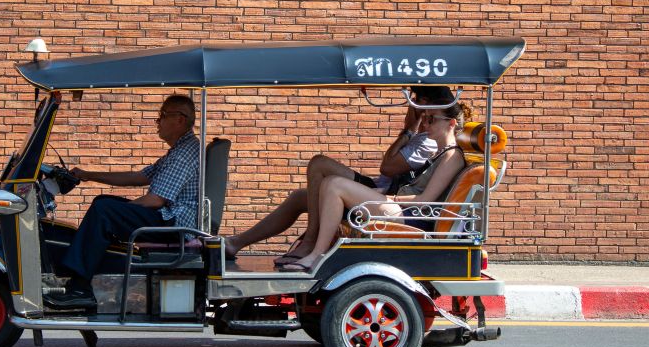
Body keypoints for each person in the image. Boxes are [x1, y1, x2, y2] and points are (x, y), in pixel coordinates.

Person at [223, 86, 451, 264]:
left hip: (390, 199)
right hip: (385, 193)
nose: (417, 112)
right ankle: (237, 243)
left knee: (326, 174)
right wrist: (409, 131)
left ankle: (313, 246)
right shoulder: (430, 140)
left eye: (419, 106)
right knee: (300, 196)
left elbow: (388, 168)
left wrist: (409, 130)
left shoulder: (432, 143)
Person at [45, 94, 200, 309]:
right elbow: (139, 177)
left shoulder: (184, 153)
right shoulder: (178, 150)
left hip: (174, 224)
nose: (158, 122)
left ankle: (80, 288)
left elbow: (155, 200)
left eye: (162, 116)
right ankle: (90, 270)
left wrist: (119, 211)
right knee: (104, 203)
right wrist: (90, 175)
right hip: (168, 217)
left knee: (104, 210)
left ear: (180, 119)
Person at [281, 101, 472, 272]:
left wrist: (390, 198)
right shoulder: (439, 153)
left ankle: (316, 256)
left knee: (334, 185)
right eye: (425, 118)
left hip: (411, 217)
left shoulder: (452, 156)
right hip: (403, 210)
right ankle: (316, 251)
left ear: (451, 123)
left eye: (432, 119)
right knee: (328, 182)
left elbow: (425, 200)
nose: (426, 124)